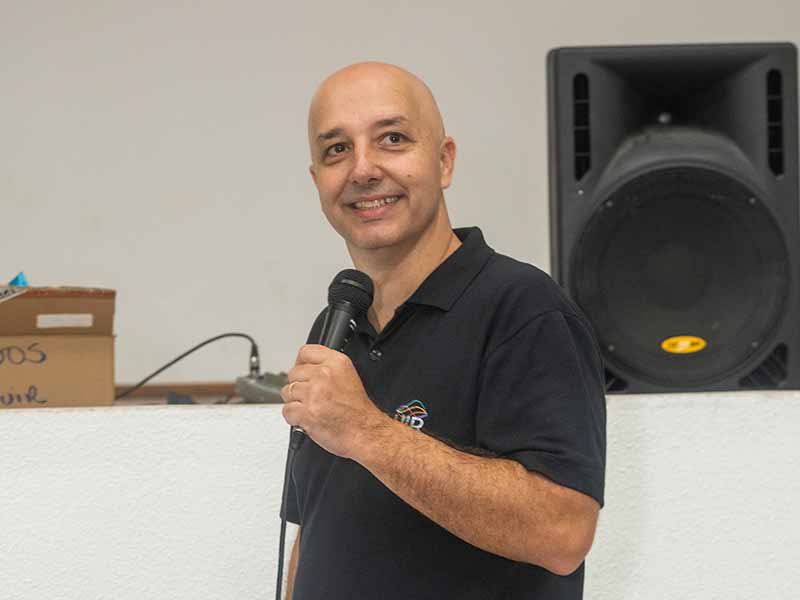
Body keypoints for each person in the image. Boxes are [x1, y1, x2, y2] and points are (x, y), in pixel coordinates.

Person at [280, 62, 606, 600]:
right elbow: (315, 528)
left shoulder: (524, 308)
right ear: (318, 181)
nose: (363, 169)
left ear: (444, 160)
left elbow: (563, 531)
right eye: (337, 149)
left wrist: (365, 430)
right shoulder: (337, 323)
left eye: (392, 139)